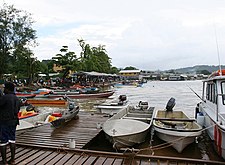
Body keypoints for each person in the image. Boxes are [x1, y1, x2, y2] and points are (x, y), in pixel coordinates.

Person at [0, 82, 20, 165]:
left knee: (3, 141)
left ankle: (4, 161)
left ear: (7, 89)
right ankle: (12, 159)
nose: (3, 89)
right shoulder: (16, 98)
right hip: (14, 121)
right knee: (12, 140)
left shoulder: (4, 97)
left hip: (4, 122)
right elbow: (17, 110)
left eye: (4, 88)